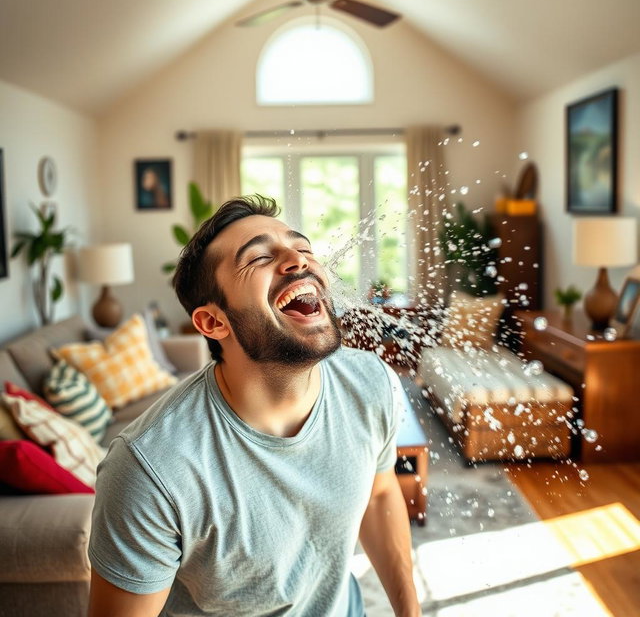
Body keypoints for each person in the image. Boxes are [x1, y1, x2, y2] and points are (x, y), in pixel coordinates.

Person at [88, 195, 420, 617]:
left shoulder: (371, 382)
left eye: (303, 249)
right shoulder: (149, 469)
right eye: (259, 257)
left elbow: (379, 494)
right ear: (213, 322)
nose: (296, 261)